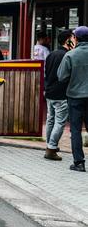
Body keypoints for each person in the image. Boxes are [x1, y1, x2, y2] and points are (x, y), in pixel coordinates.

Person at [57, 26, 88, 172]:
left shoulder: (71, 55)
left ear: (76, 38)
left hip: (75, 97)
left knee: (75, 130)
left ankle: (79, 162)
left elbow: (61, 76)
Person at [43, 30, 73, 161]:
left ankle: (49, 145)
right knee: (59, 122)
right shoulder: (67, 55)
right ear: (68, 40)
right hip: (61, 92)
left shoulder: (51, 54)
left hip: (49, 91)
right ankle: (51, 148)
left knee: (51, 119)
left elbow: (46, 72)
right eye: (73, 37)